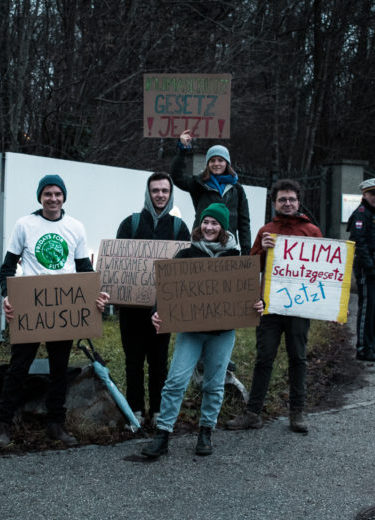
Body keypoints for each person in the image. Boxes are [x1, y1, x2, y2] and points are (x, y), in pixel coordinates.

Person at [140, 203, 264, 459]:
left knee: (215, 384)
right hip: (190, 332)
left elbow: (249, 296)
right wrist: (157, 310)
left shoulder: (236, 260)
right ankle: (163, 434)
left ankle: (206, 431)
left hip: (222, 332)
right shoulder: (186, 256)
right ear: (200, 225)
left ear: (223, 228)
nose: (209, 227)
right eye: (205, 222)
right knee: (175, 381)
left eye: (215, 223)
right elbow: (167, 291)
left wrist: (259, 304)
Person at [0, 174, 109, 447]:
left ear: (64, 197)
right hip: (31, 310)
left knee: (60, 369)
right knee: (18, 367)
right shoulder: (25, 225)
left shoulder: (75, 227)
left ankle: (56, 424)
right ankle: (3, 424)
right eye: (48, 194)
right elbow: (7, 269)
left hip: (63, 310)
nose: (53, 198)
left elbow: (84, 269)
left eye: (58, 194)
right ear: (40, 197)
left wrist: (96, 295)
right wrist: (8, 296)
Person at [225, 179, 322, 434]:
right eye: (282, 199)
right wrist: (262, 251)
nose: (287, 203)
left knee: (298, 358)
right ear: (275, 203)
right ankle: (253, 413)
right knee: (264, 358)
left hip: (300, 305)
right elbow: (251, 267)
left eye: (291, 199)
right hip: (269, 305)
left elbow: (323, 272)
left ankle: (297, 413)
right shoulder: (266, 230)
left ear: (298, 202)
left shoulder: (311, 231)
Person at [115, 172, 191, 427]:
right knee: (133, 362)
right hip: (131, 311)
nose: (160, 195)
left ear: (170, 194)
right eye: (155, 191)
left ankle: (158, 411)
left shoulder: (179, 228)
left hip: (163, 310)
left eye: (164, 191)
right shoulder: (130, 224)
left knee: (159, 362)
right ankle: (135, 410)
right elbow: (118, 265)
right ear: (148, 194)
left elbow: (186, 270)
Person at [172, 129, 251, 255]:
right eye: (212, 160)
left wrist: (247, 252)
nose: (216, 164)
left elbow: (244, 223)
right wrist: (183, 150)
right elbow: (177, 177)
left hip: (226, 249)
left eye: (220, 160)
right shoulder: (199, 184)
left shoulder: (237, 189)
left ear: (227, 163)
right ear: (208, 164)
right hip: (201, 246)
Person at [347, 178, 375, 362]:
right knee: (367, 309)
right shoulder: (361, 214)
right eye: (373, 194)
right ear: (365, 195)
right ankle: (362, 348)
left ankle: (370, 344)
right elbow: (359, 242)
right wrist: (369, 266)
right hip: (367, 267)